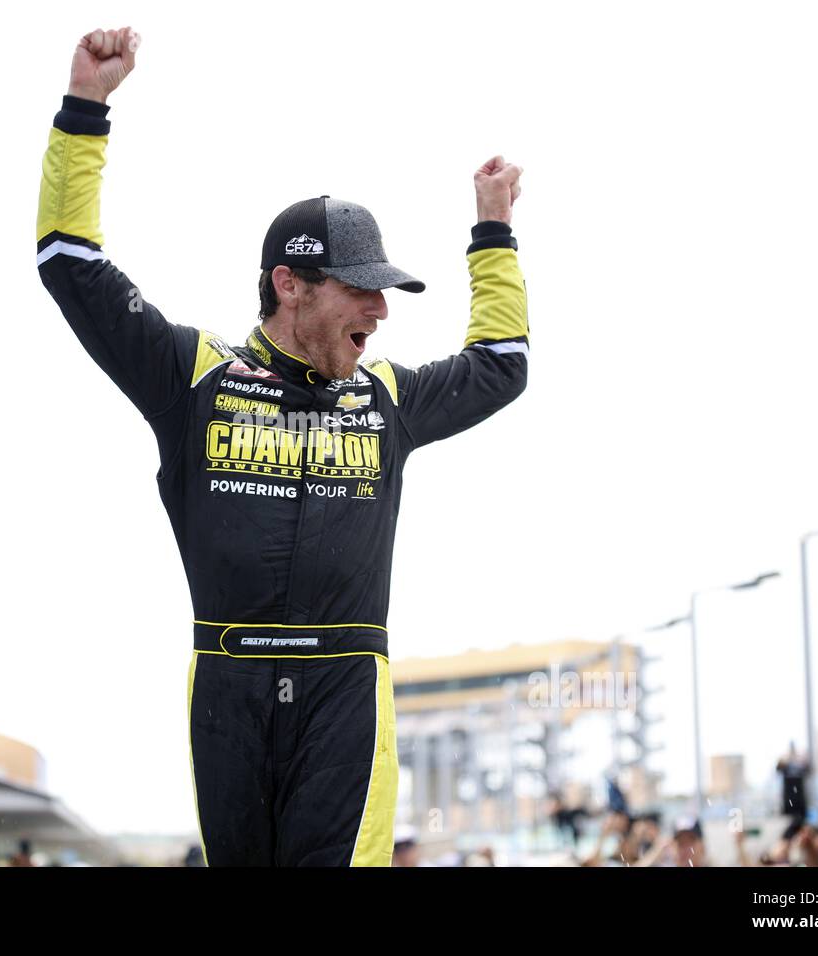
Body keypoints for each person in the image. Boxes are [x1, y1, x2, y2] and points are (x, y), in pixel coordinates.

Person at [37, 27, 528, 867]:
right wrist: (86, 108)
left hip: (347, 689)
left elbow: (502, 365)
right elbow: (69, 263)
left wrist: (493, 236)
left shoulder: (388, 398)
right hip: (227, 680)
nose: (381, 312)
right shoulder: (193, 375)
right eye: (362, 290)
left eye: (386, 293)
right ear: (288, 285)